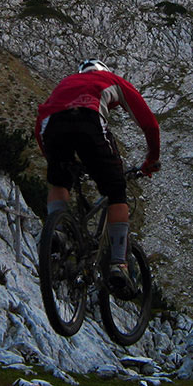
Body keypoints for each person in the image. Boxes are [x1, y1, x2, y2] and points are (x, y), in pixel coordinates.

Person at [35, 58, 160, 293]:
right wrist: (151, 159)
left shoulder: (66, 83)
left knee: (59, 182)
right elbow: (149, 124)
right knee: (116, 191)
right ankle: (118, 264)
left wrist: (55, 161)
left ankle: (58, 233)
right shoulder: (111, 80)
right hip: (88, 119)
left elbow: (41, 121)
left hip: (52, 125)